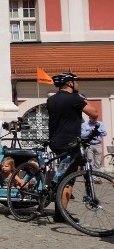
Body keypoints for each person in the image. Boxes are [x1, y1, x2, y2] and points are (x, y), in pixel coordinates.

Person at [46, 72, 98, 222]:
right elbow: (94, 113)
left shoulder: (51, 100)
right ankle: (60, 214)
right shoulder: (75, 98)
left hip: (55, 141)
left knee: (64, 172)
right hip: (70, 142)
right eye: (76, 82)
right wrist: (83, 100)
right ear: (69, 83)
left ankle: (54, 188)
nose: (77, 84)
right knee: (68, 179)